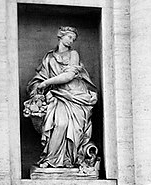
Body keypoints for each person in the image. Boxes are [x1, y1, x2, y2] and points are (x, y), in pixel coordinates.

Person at [25, 26, 98, 169]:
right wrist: (38, 86)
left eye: (73, 39)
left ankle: (68, 159)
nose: (71, 41)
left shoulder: (74, 54)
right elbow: (40, 77)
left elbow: (69, 76)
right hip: (57, 96)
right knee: (59, 124)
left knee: (73, 129)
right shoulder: (49, 58)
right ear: (61, 36)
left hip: (75, 95)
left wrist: (46, 83)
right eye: (69, 37)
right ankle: (51, 159)